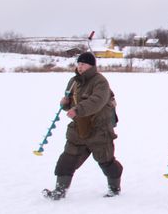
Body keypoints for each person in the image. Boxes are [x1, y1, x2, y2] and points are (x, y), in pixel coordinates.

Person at [43, 52, 124, 200]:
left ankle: (114, 188)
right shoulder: (74, 81)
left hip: (99, 130)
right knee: (67, 160)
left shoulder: (100, 82)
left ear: (91, 66)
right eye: (79, 64)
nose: (80, 67)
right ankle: (59, 191)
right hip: (78, 130)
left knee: (106, 161)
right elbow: (71, 102)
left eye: (84, 64)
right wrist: (66, 104)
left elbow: (97, 101)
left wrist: (78, 110)